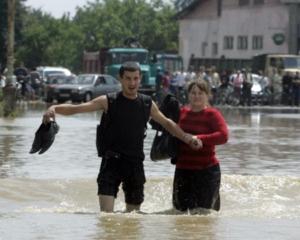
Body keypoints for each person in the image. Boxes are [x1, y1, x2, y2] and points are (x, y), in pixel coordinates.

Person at [42, 61, 201, 213]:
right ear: (121, 79)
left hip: (135, 165)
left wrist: (187, 138)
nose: (132, 83)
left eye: (136, 78)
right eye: (128, 79)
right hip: (111, 163)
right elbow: (76, 109)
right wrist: (54, 108)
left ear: (140, 79)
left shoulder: (146, 103)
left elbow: (167, 123)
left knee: (132, 219)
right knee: (107, 217)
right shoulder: (108, 101)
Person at [172, 79, 229, 213]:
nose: (196, 96)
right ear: (188, 95)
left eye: (200, 93)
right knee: (179, 213)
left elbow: (223, 136)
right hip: (183, 170)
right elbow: (170, 130)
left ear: (207, 95)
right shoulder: (181, 113)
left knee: (205, 214)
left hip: (207, 170)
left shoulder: (212, 114)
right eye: (193, 93)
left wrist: (199, 138)